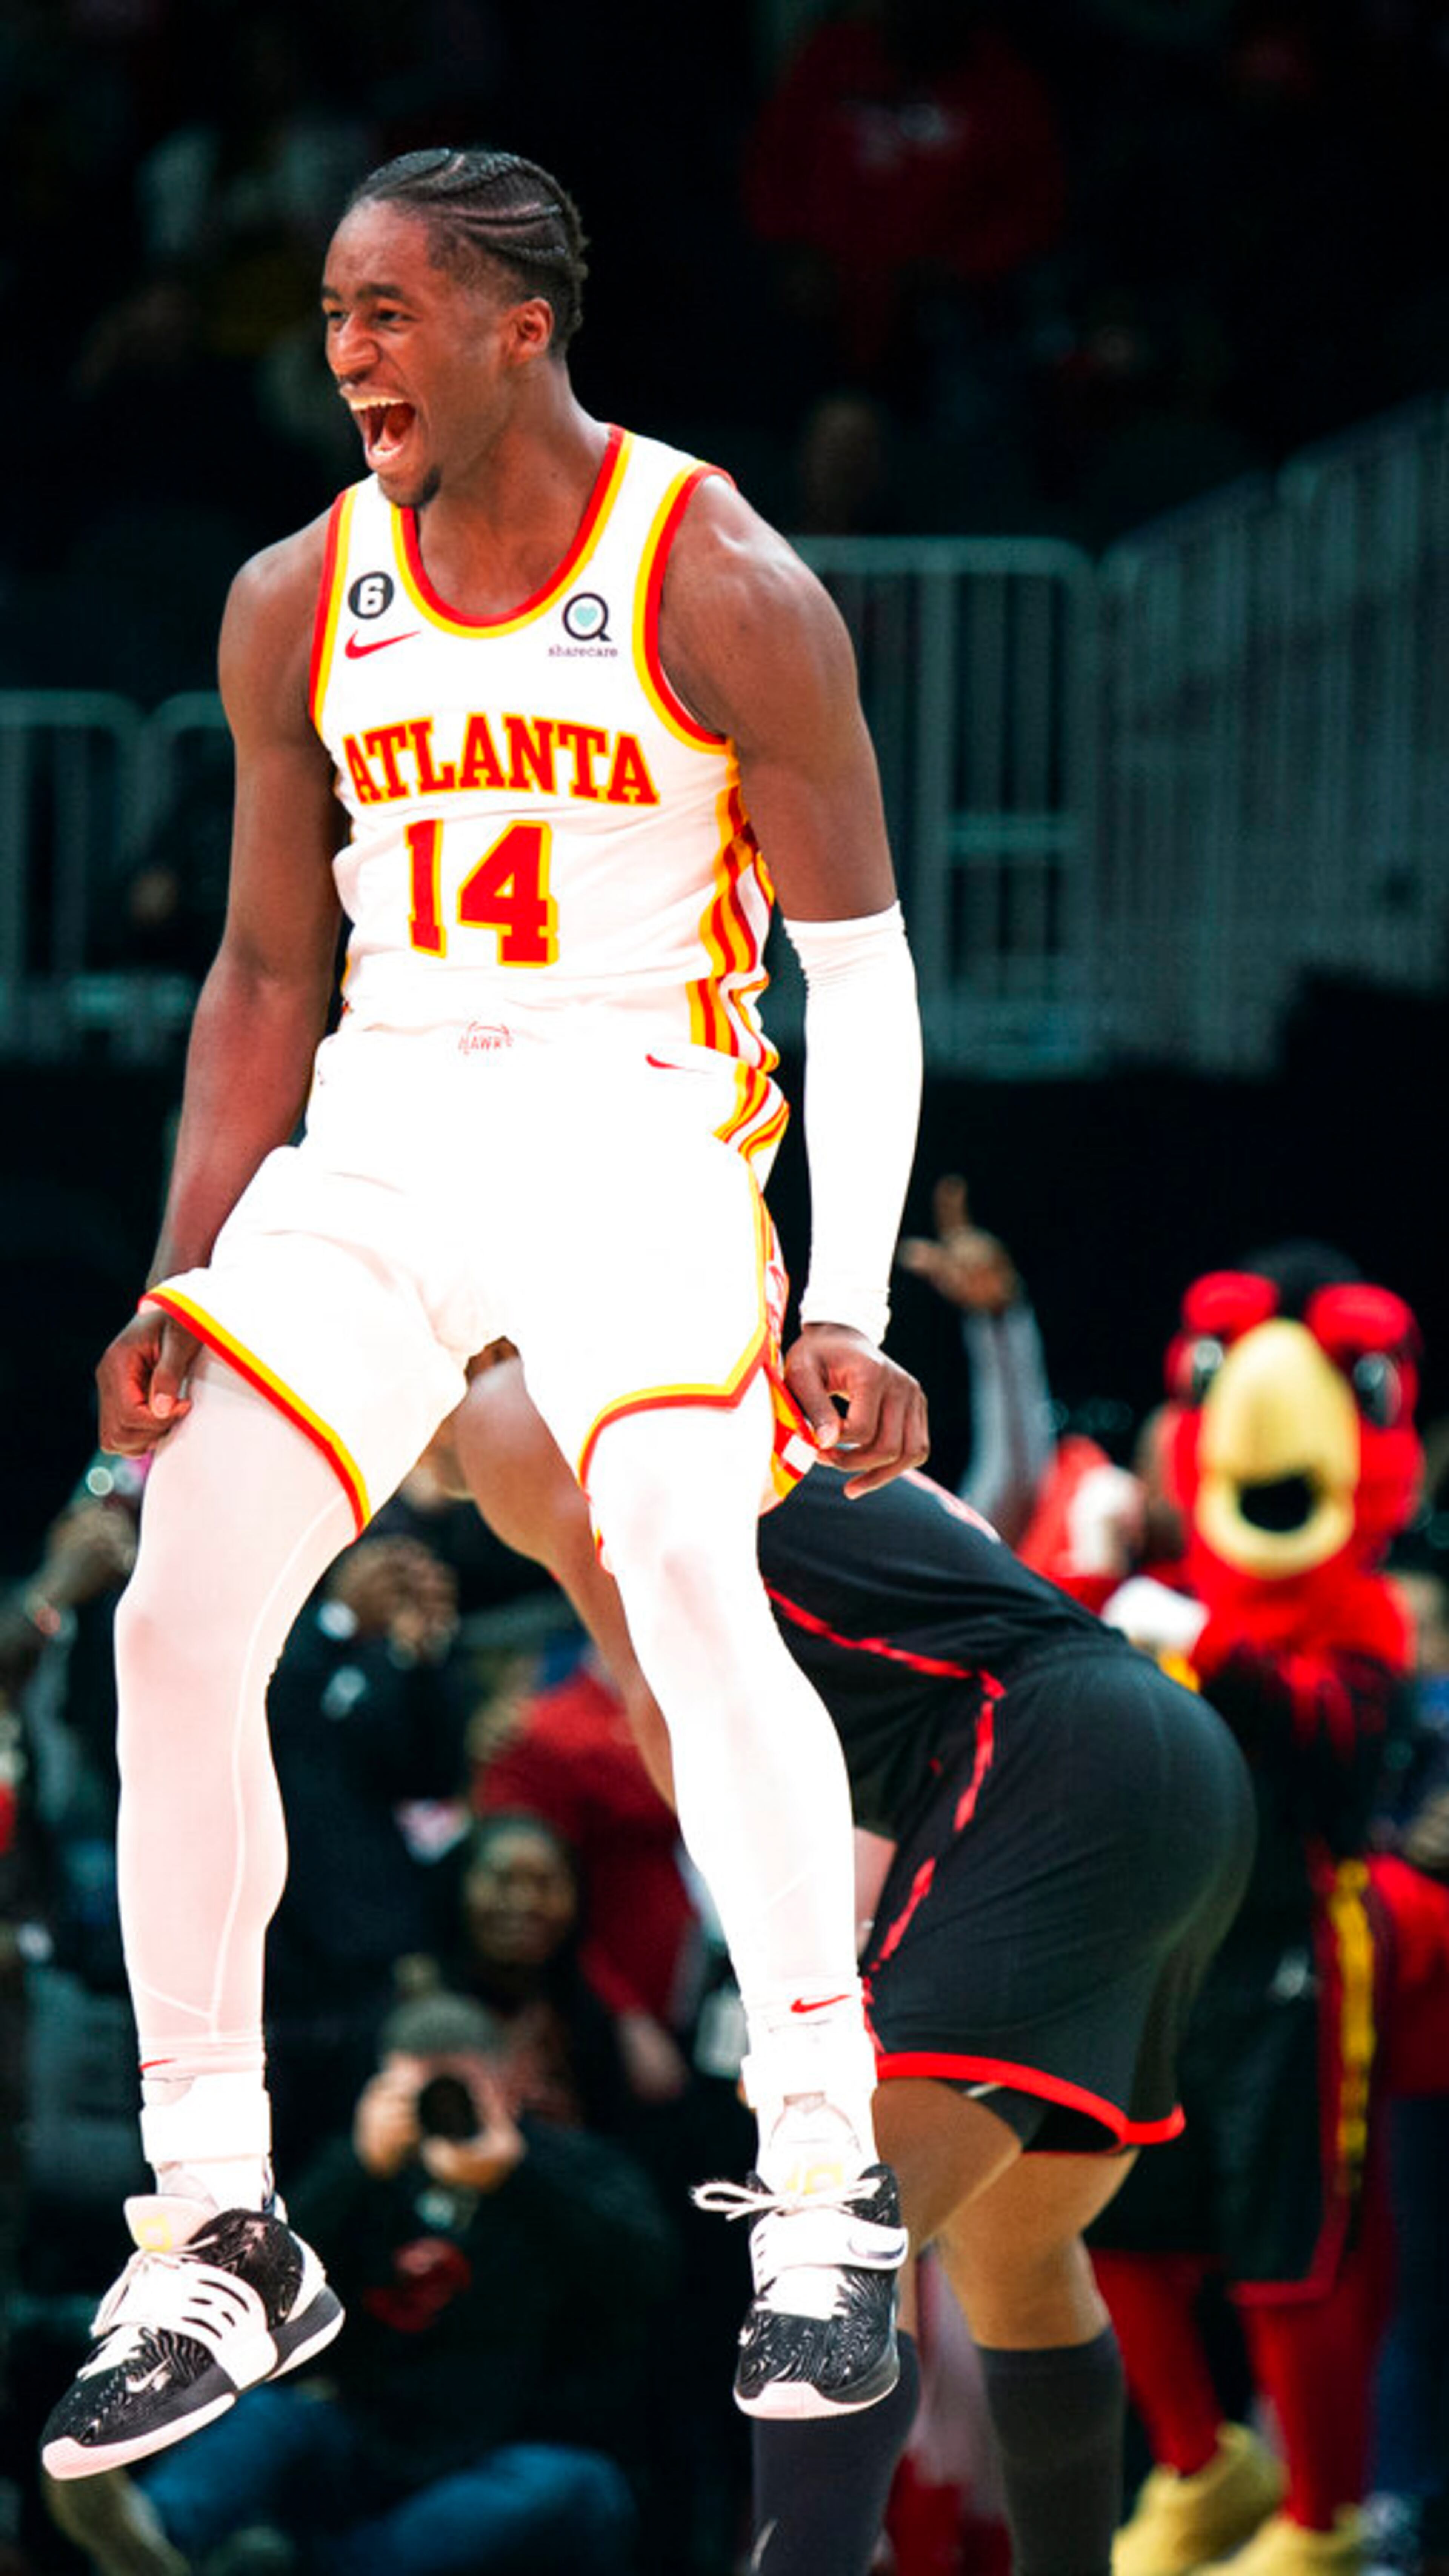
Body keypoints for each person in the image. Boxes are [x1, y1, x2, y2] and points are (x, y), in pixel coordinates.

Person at [41, 144, 929, 2481]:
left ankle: (828, 2191)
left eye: (389, 311)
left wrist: (842, 1289)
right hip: (388, 1130)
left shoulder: (718, 575)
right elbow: (259, 967)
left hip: (642, 1129)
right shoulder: (289, 595)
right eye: (331, 313)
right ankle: (222, 2218)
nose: (347, 354)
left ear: (523, 325)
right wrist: (184, 1256)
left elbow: (858, 973)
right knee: (171, 1613)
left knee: (678, 1565)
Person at [444, 1345, 1256, 2576]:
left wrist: (796, 1995)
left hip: (1043, 1754)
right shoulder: (704, 1361)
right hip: (1154, 1760)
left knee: (830, 2247)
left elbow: (675, 1709)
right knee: (1016, 2255)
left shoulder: (520, 1397)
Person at [44, 1988, 674, 2576]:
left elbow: (650, 2277)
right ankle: (158, 2534)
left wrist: (518, 2176)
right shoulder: (367, 2170)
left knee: (565, 2486)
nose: (441, 2107)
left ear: (509, 2084)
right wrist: (358, 2164)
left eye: (461, 2086)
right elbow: (266, 2284)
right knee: (273, 2417)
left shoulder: (571, 2167)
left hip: (512, 2450)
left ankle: (310, 2562)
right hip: (370, 2441)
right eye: (417, 2089)